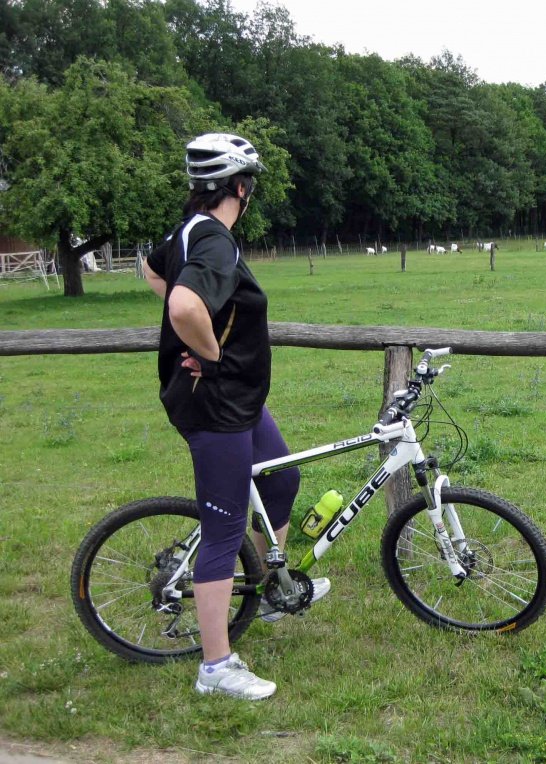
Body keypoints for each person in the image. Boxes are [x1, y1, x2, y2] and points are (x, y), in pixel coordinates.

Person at [142, 133, 330, 700]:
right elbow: (182, 302)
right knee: (224, 529)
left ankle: (269, 590)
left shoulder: (190, 230)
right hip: (214, 405)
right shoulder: (214, 241)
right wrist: (208, 351)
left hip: (238, 401)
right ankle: (216, 667)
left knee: (282, 477)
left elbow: (152, 271)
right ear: (241, 189)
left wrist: (203, 338)